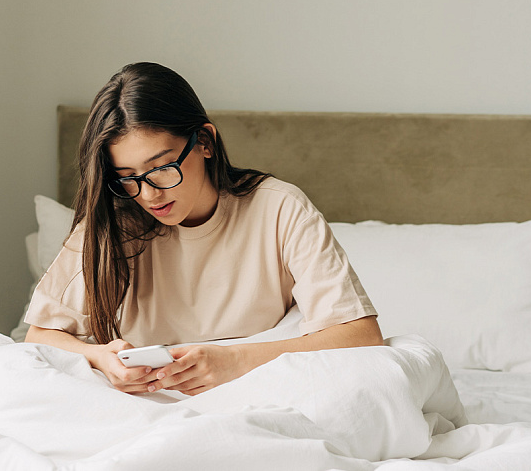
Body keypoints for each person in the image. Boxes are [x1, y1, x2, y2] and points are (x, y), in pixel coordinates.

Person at [25, 62, 383, 396]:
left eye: (162, 168)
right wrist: (101, 357)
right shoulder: (112, 224)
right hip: (146, 403)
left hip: (261, 394)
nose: (148, 194)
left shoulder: (279, 208)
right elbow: (40, 336)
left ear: (205, 142)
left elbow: (361, 335)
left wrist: (236, 361)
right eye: (128, 178)